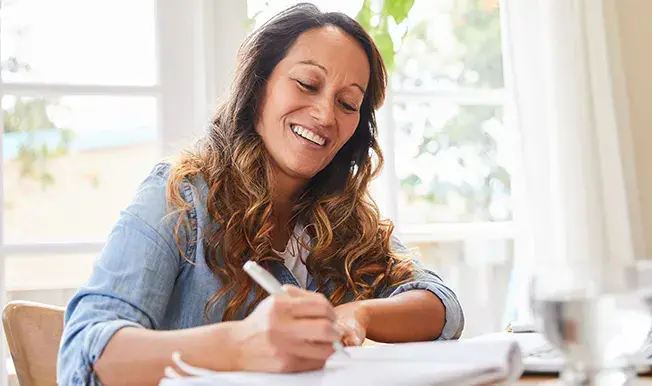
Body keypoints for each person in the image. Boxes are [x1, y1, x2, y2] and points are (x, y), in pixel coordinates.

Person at [57, 3, 464, 385]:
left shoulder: (345, 219)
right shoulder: (181, 197)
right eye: (307, 84)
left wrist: (361, 314)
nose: (325, 115)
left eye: (347, 103)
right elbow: (82, 355)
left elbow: (441, 305)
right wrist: (239, 346)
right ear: (257, 88)